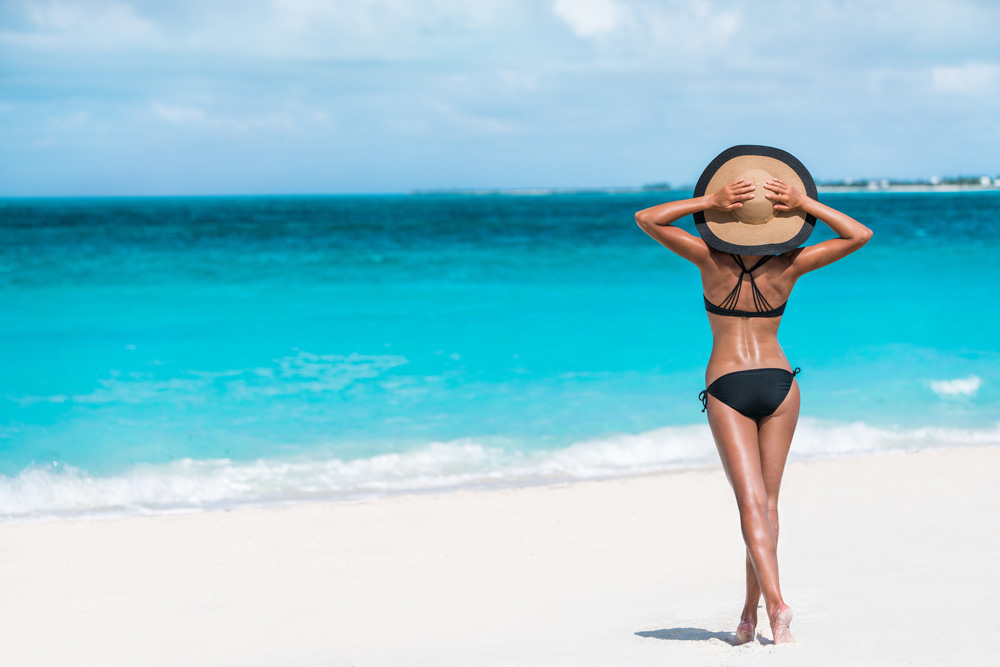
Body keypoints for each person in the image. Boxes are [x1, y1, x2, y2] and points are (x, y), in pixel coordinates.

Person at [634, 146, 872, 645]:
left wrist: (707, 202)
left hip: (728, 386)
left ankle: (778, 603)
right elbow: (859, 234)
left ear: (730, 220)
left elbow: (647, 218)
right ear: (777, 224)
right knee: (769, 505)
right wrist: (806, 204)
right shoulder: (790, 264)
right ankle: (749, 614)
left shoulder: (707, 257)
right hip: (782, 385)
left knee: (749, 505)